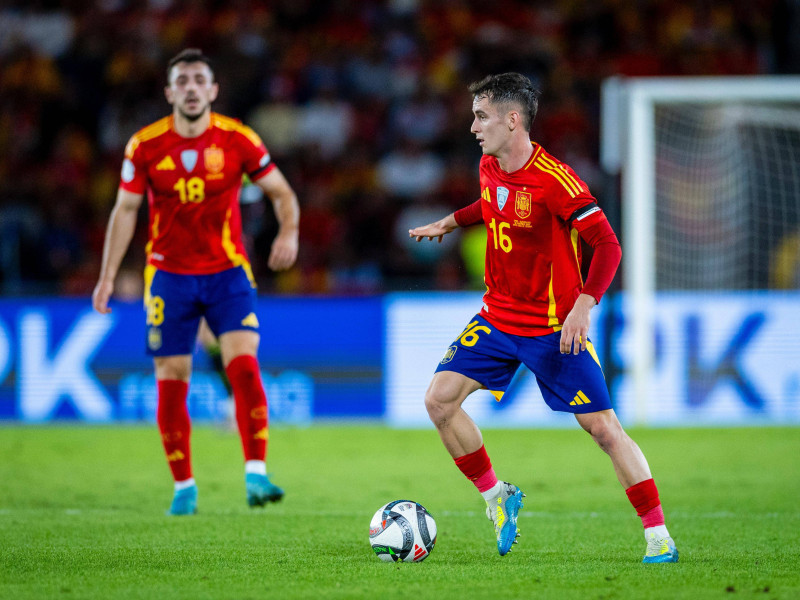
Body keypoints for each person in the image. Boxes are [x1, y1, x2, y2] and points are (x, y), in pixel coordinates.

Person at [408, 73, 678, 563]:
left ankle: (658, 534)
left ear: (513, 121)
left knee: (603, 429)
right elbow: (492, 205)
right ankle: (497, 498)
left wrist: (585, 303)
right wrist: (451, 221)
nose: (473, 127)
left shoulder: (557, 180)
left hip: (553, 328)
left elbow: (608, 244)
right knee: (439, 401)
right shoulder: (490, 163)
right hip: (495, 317)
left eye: (481, 116)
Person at [92, 48, 300, 516]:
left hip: (227, 271)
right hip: (168, 275)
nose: (190, 87)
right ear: (170, 92)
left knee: (243, 365)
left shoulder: (238, 139)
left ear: (212, 90)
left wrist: (289, 231)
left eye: (198, 80)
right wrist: (106, 276)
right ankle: (184, 486)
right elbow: (125, 211)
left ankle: (257, 474)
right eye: (181, 80)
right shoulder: (144, 145)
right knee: (171, 377)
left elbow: (282, 193)